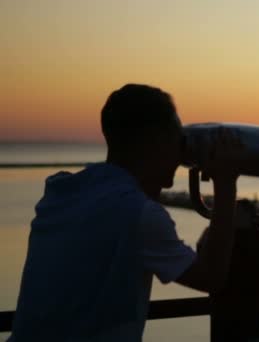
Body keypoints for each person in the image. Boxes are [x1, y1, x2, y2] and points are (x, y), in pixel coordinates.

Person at [9, 84, 240, 341]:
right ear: (157, 141)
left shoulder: (62, 194)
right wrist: (226, 182)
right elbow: (212, 277)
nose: (180, 156)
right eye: (177, 140)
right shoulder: (139, 216)